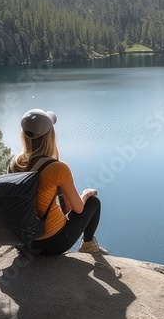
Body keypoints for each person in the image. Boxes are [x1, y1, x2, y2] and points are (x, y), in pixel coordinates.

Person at [9, 108, 107, 256]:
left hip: (21, 242)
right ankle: (88, 245)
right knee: (93, 202)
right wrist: (86, 194)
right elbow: (77, 209)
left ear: (24, 135)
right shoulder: (57, 167)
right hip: (50, 244)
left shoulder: (14, 163)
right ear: (50, 135)